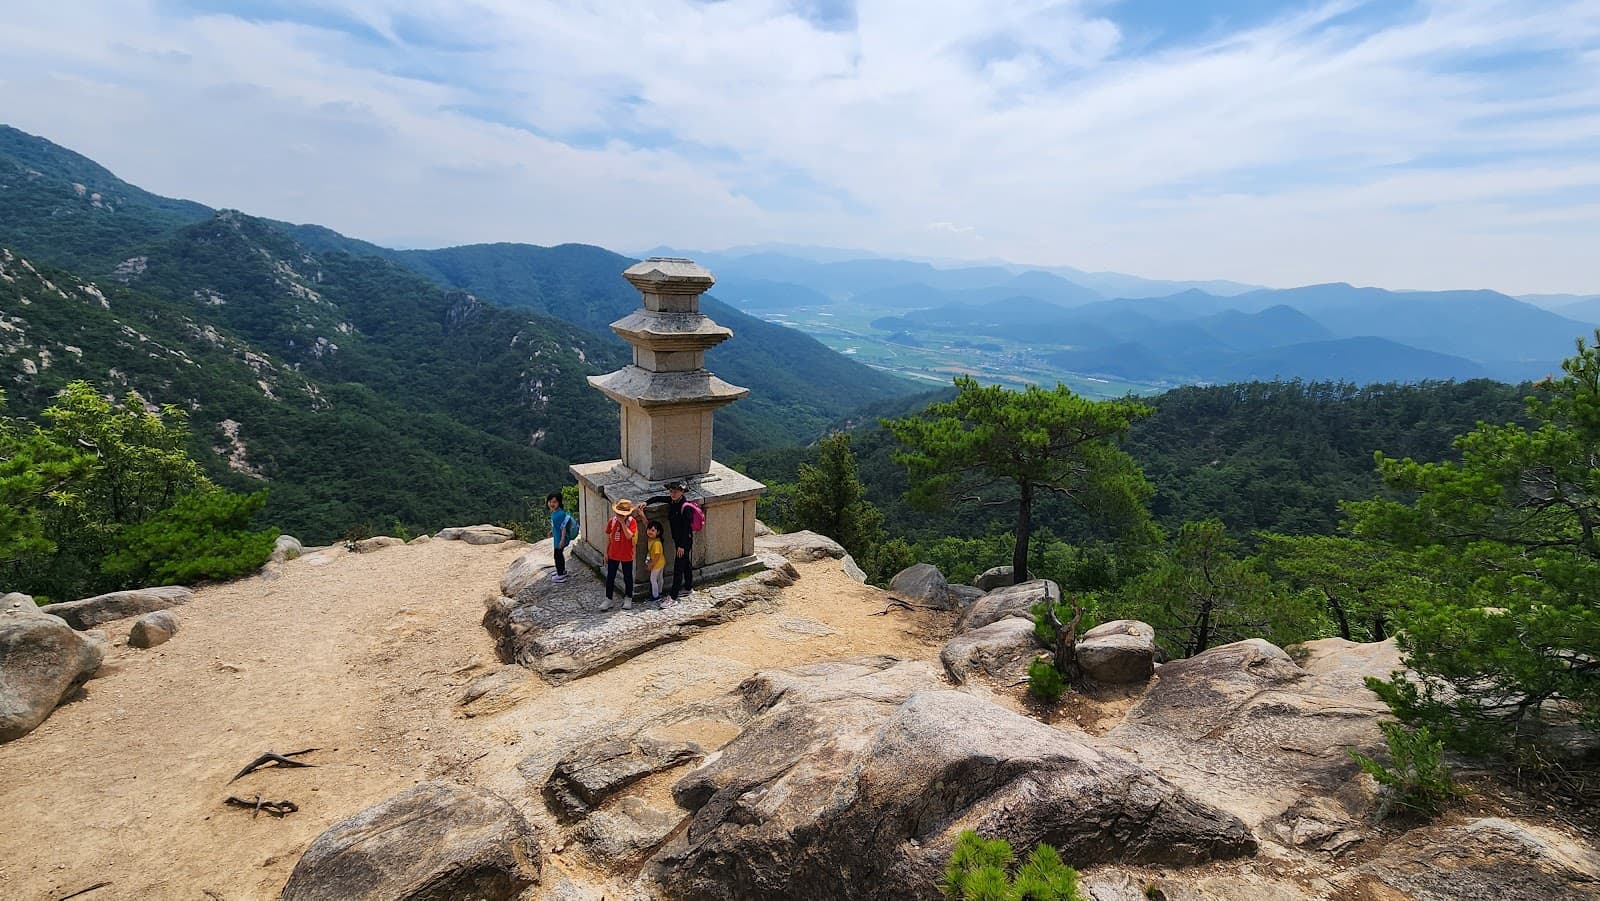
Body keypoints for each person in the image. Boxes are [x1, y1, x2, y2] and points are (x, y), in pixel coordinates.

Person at [646, 481, 697, 601]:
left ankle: (673, 597)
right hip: (678, 540)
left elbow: (686, 528)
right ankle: (688, 587)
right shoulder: (672, 501)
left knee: (678, 567)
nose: (673, 494)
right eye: (671, 491)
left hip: (684, 542)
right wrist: (646, 502)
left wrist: (682, 546)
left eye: (676, 492)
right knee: (685, 564)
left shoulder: (685, 508)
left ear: (682, 492)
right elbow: (658, 498)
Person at [602, 498, 639, 611]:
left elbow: (629, 536)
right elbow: (608, 536)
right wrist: (605, 552)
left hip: (626, 554)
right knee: (610, 577)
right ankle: (608, 599)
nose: (619, 515)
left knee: (627, 577)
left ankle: (628, 597)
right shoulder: (612, 521)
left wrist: (623, 523)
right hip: (613, 553)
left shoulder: (632, 522)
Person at [547, 492, 576, 584]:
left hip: (560, 539)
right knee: (559, 555)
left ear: (559, 502)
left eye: (554, 502)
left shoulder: (559, 514)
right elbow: (557, 526)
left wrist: (562, 540)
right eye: (550, 501)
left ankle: (560, 575)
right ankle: (562, 571)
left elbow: (563, 528)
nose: (552, 504)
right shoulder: (557, 512)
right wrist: (552, 531)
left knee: (557, 556)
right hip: (558, 537)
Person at [645, 521, 668, 606]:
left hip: (657, 564)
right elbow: (645, 523)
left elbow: (657, 556)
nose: (650, 532)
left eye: (653, 530)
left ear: (658, 532)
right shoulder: (654, 540)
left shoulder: (656, 543)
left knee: (653, 579)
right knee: (660, 578)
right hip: (661, 562)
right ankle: (660, 591)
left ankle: (655, 595)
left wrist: (651, 565)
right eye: (649, 529)